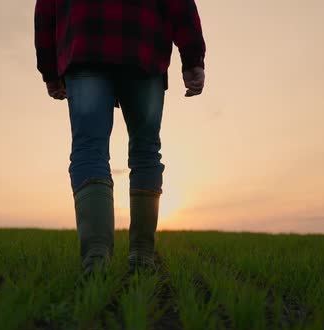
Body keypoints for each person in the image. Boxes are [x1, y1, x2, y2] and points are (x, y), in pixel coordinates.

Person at [34, 0, 206, 276]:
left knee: (89, 149)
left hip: (85, 42)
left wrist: (50, 70)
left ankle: (96, 256)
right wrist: (192, 56)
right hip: (143, 42)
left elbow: (45, 9)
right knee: (146, 151)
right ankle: (141, 255)